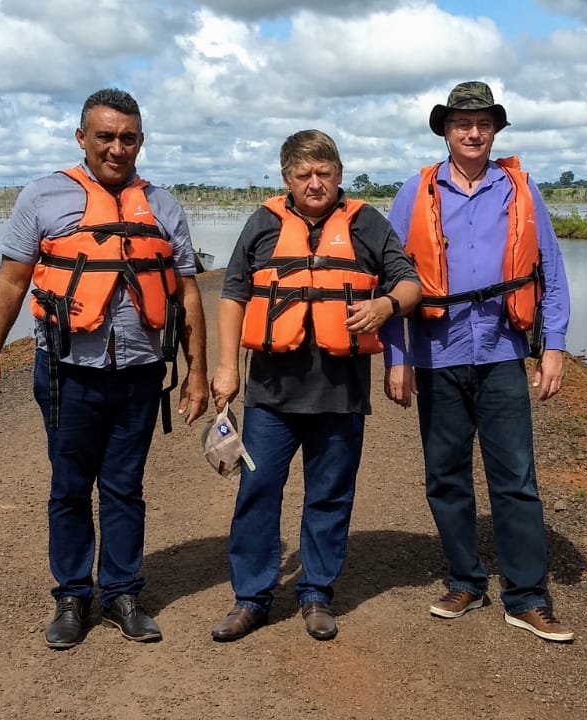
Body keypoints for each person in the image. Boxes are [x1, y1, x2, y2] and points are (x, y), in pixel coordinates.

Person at [0, 88, 209, 649]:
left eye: (128, 138)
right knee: (70, 486)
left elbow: (187, 292)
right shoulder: (42, 196)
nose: (117, 148)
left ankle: (123, 591)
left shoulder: (165, 206)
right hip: (66, 371)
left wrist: (197, 370)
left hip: (141, 371)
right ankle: (73, 596)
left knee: (125, 485)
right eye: (105, 136)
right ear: (83, 138)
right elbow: (11, 281)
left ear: (141, 141)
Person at [381, 81, 574, 642]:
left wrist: (553, 346)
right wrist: (398, 357)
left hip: (502, 353)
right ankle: (465, 579)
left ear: (494, 131)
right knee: (445, 476)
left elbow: (552, 273)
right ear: (445, 129)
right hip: (436, 355)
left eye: (483, 124)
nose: (472, 133)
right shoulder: (414, 193)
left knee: (515, 479)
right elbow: (391, 279)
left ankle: (527, 595)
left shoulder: (520, 189)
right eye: (462, 123)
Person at [210, 129, 420, 642]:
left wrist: (384, 307)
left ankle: (316, 594)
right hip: (270, 396)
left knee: (329, 494)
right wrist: (225, 366)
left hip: (340, 393)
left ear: (339, 175)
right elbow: (235, 292)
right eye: (303, 175)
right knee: (257, 491)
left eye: (324, 173)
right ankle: (252, 598)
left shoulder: (368, 223)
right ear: (286, 180)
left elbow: (410, 284)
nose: (315, 183)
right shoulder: (262, 224)